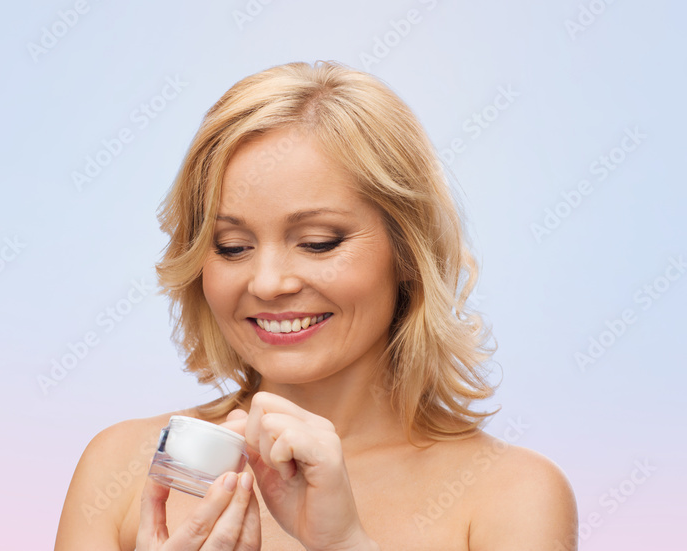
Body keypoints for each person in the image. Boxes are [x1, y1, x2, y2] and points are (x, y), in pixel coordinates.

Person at [55, 60, 577, 550]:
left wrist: (346, 543)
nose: (268, 283)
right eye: (232, 247)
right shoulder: (124, 466)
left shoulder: (511, 495)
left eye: (318, 242)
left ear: (407, 251)